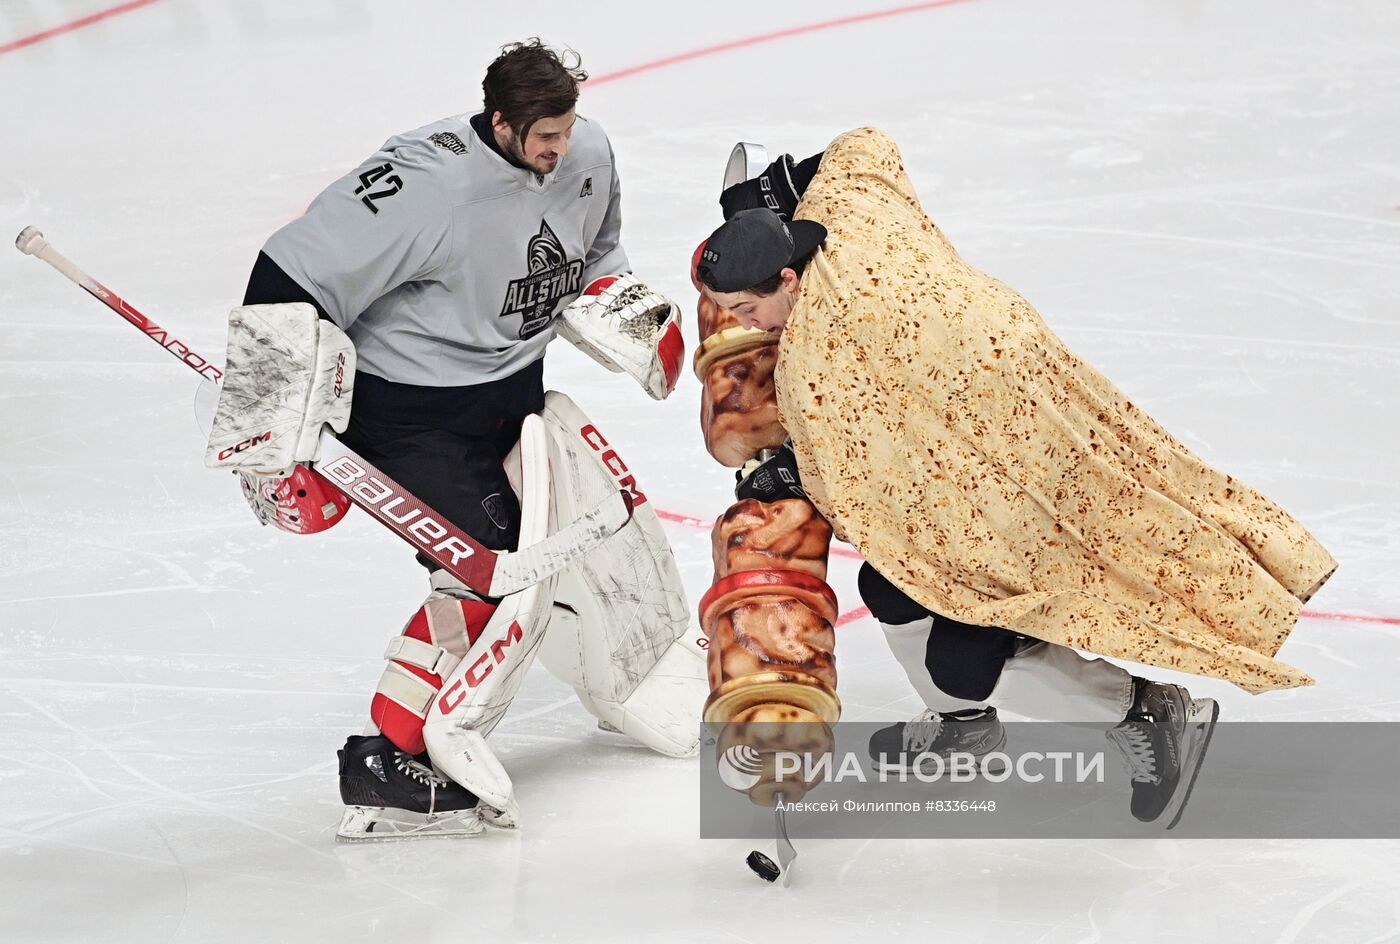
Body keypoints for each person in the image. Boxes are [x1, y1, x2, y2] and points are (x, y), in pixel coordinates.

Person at [693, 128, 1336, 827]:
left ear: (788, 277)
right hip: (1047, 409)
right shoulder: (853, 217)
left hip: (1014, 492)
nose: (743, 326)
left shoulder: (819, 363)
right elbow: (862, 148)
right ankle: (963, 730)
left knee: (959, 656)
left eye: (750, 311)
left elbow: (853, 489)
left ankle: (1148, 713)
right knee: (888, 588)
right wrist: (780, 186)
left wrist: (786, 476)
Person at [203, 39, 693, 840]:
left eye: (567, 132)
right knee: (495, 575)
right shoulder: (423, 186)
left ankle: (623, 681)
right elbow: (288, 274)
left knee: (587, 535)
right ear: (500, 121)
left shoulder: (588, 149)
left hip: (515, 392)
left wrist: (628, 312)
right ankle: (386, 758)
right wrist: (269, 427)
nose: (559, 152)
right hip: (411, 414)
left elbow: (598, 251)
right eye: (543, 139)